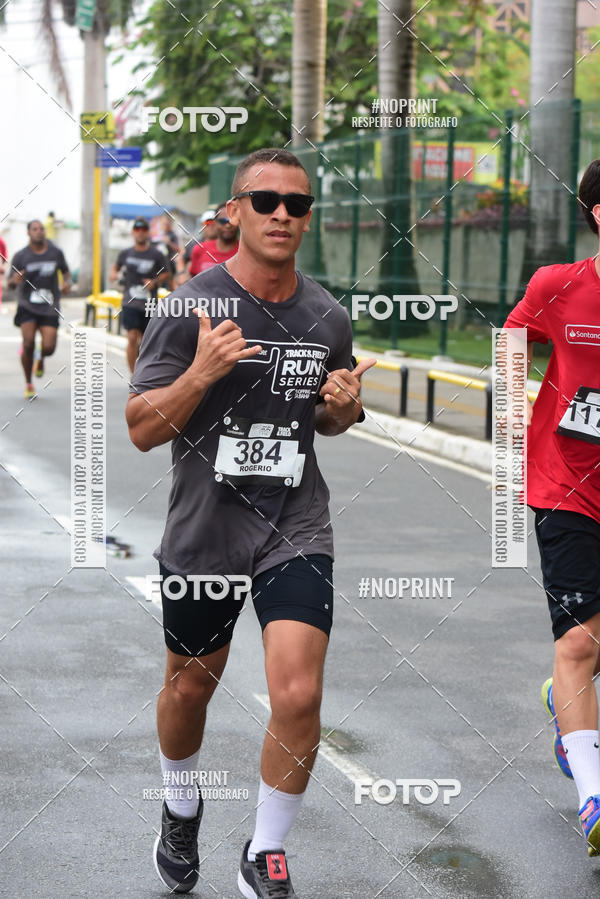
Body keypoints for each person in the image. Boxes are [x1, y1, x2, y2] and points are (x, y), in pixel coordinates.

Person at [126, 147, 375, 896]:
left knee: (298, 692)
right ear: (233, 211)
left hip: (294, 522)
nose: (280, 214)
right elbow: (140, 426)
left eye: (296, 204)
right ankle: (179, 804)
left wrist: (342, 411)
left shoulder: (327, 314)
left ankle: (265, 849)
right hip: (206, 527)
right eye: (264, 200)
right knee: (189, 687)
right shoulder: (187, 307)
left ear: (308, 217)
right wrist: (201, 372)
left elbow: (330, 414)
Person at [504, 157, 600, 857]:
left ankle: (563, 702)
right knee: (578, 642)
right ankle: (595, 795)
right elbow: (513, 340)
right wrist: (513, 409)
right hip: (566, 483)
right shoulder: (559, 286)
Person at [9, 219, 71, 398]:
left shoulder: (56, 253)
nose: (39, 231)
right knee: (28, 343)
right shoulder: (21, 256)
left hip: (49, 306)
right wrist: (15, 280)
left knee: (49, 347)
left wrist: (67, 284)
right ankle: (29, 383)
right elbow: (10, 283)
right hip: (27, 305)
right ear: (28, 233)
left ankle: (41, 357)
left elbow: (66, 275)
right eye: (35, 229)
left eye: (42, 229)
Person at [109, 217, 170, 372]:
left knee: (145, 342)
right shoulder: (125, 253)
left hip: (150, 303)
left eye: (143, 230)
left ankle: (144, 371)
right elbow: (114, 270)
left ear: (148, 233)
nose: (140, 233)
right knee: (131, 337)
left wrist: (154, 282)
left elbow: (166, 274)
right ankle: (134, 377)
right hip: (130, 301)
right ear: (133, 233)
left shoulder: (156, 254)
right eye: (137, 230)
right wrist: (115, 275)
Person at [188, 202, 238, 276]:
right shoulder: (199, 249)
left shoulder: (247, 252)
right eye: (222, 221)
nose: (227, 225)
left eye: (231, 221)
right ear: (215, 223)